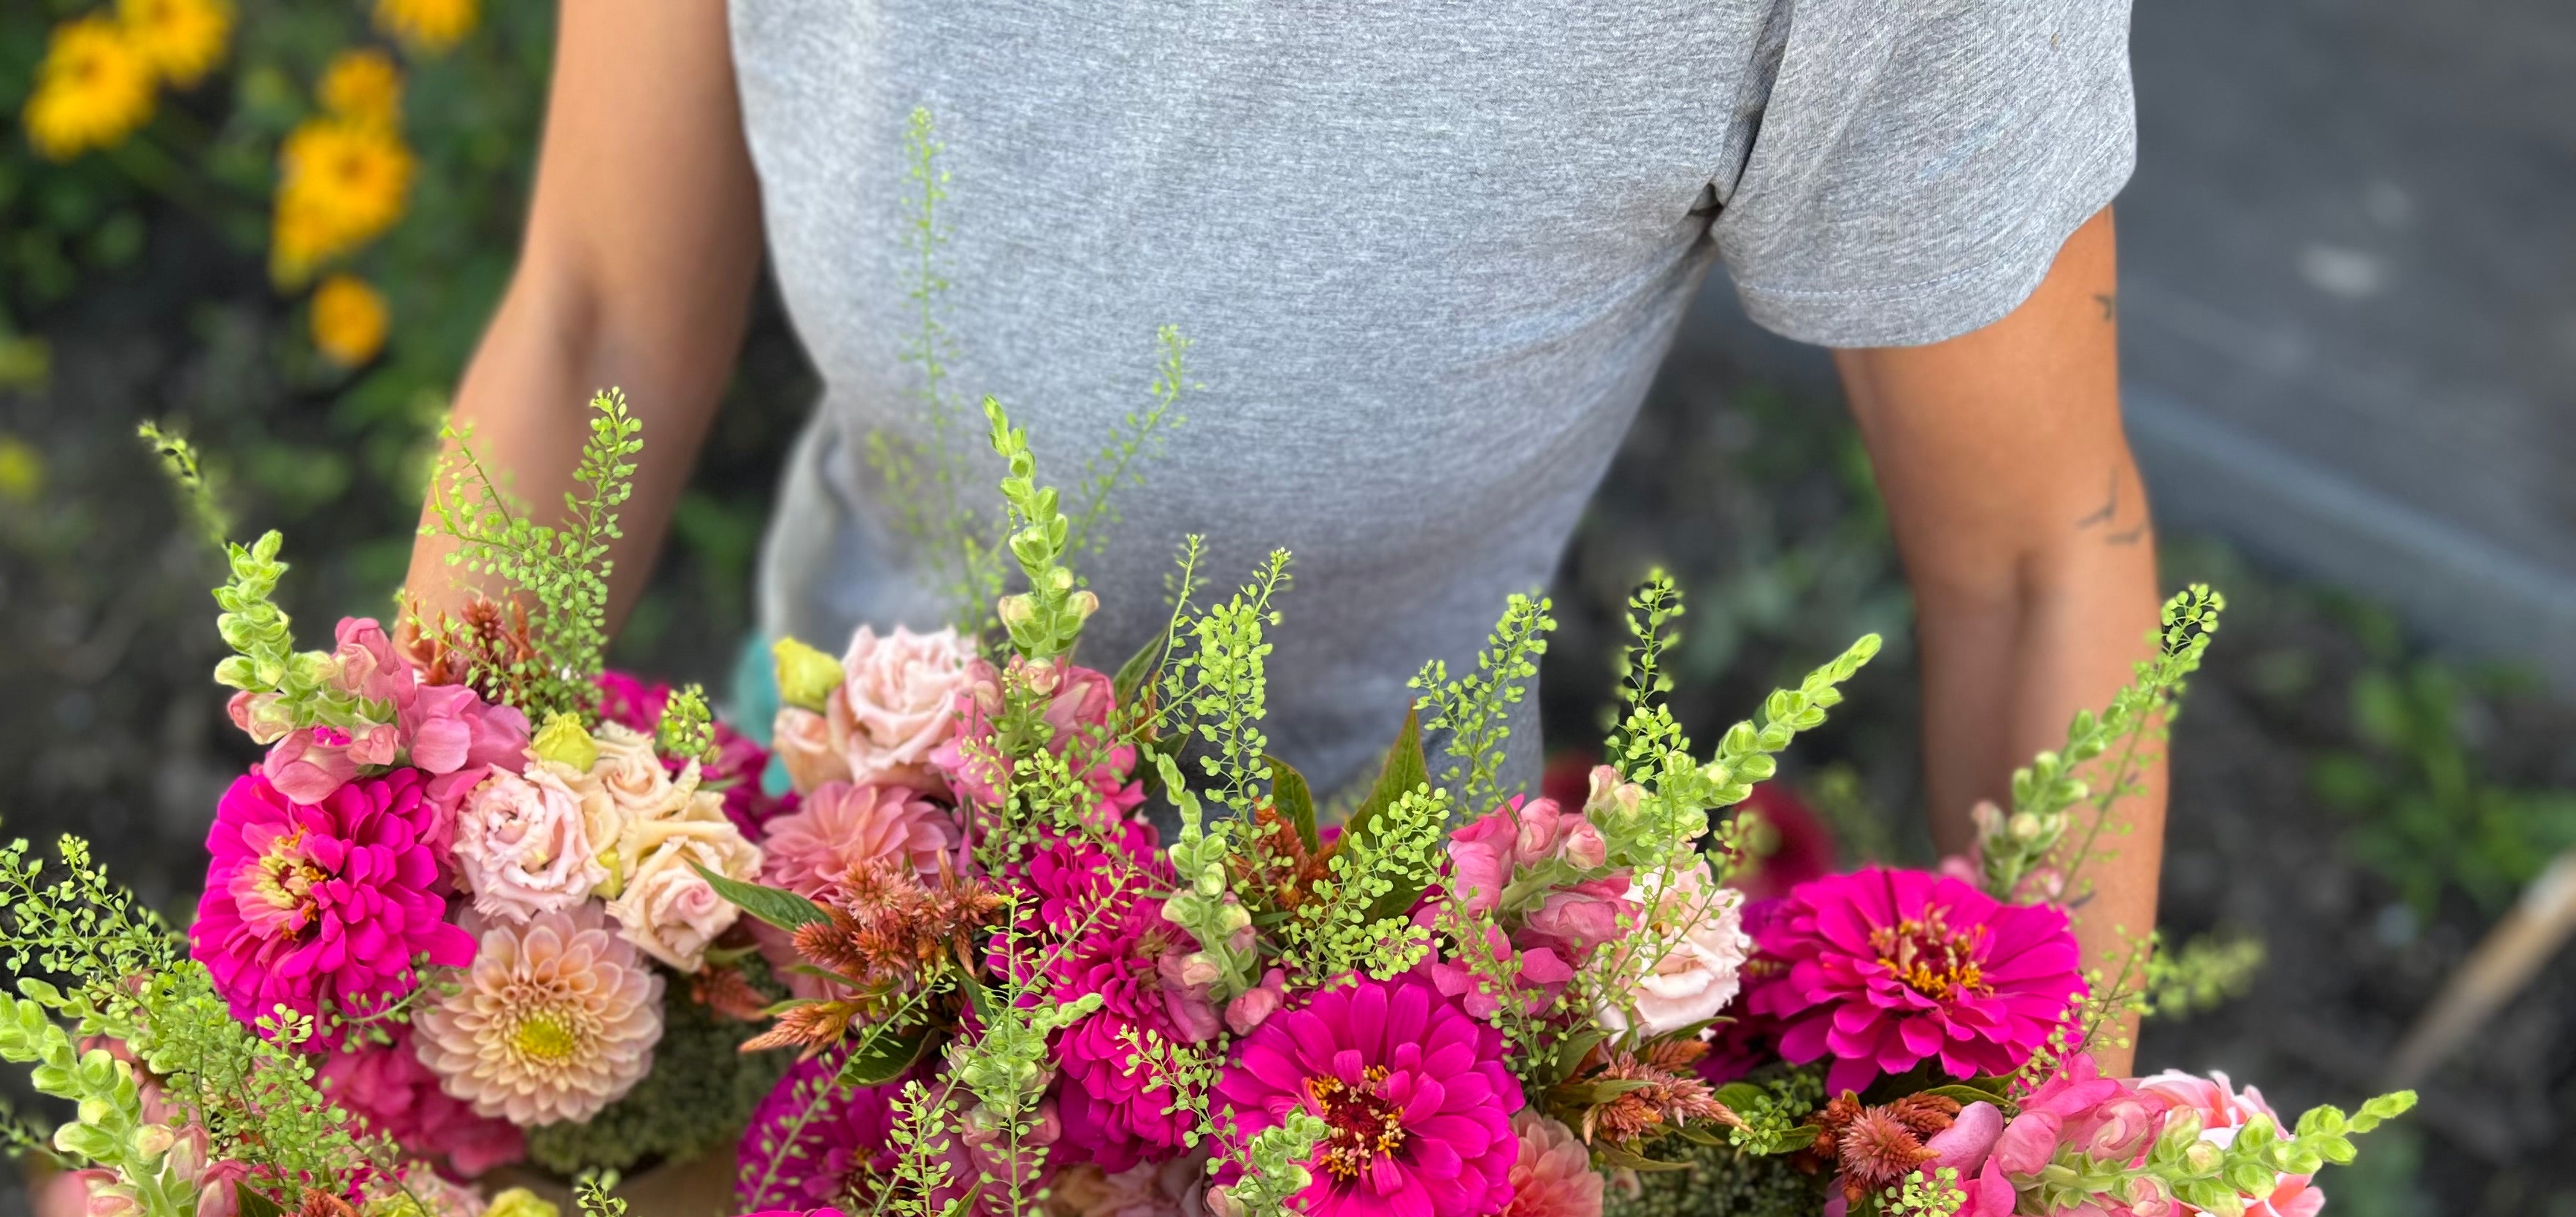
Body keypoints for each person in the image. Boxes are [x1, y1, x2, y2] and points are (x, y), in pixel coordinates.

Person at [405, 0, 2161, 1036]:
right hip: (798, 866)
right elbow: (594, 318)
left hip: (1374, 1060)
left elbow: (2032, 564)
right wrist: (384, 889)